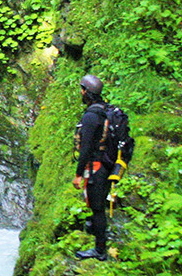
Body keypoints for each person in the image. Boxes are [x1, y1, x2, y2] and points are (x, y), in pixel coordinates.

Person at [72, 74, 112, 261]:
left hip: (96, 166)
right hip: (107, 163)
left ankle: (99, 250)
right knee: (98, 204)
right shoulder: (105, 109)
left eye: (82, 89)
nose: (80, 92)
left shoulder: (91, 116)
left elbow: (86, 148)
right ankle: (95, 228)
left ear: (86, 93)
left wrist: (79, 174)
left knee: (97, 208)